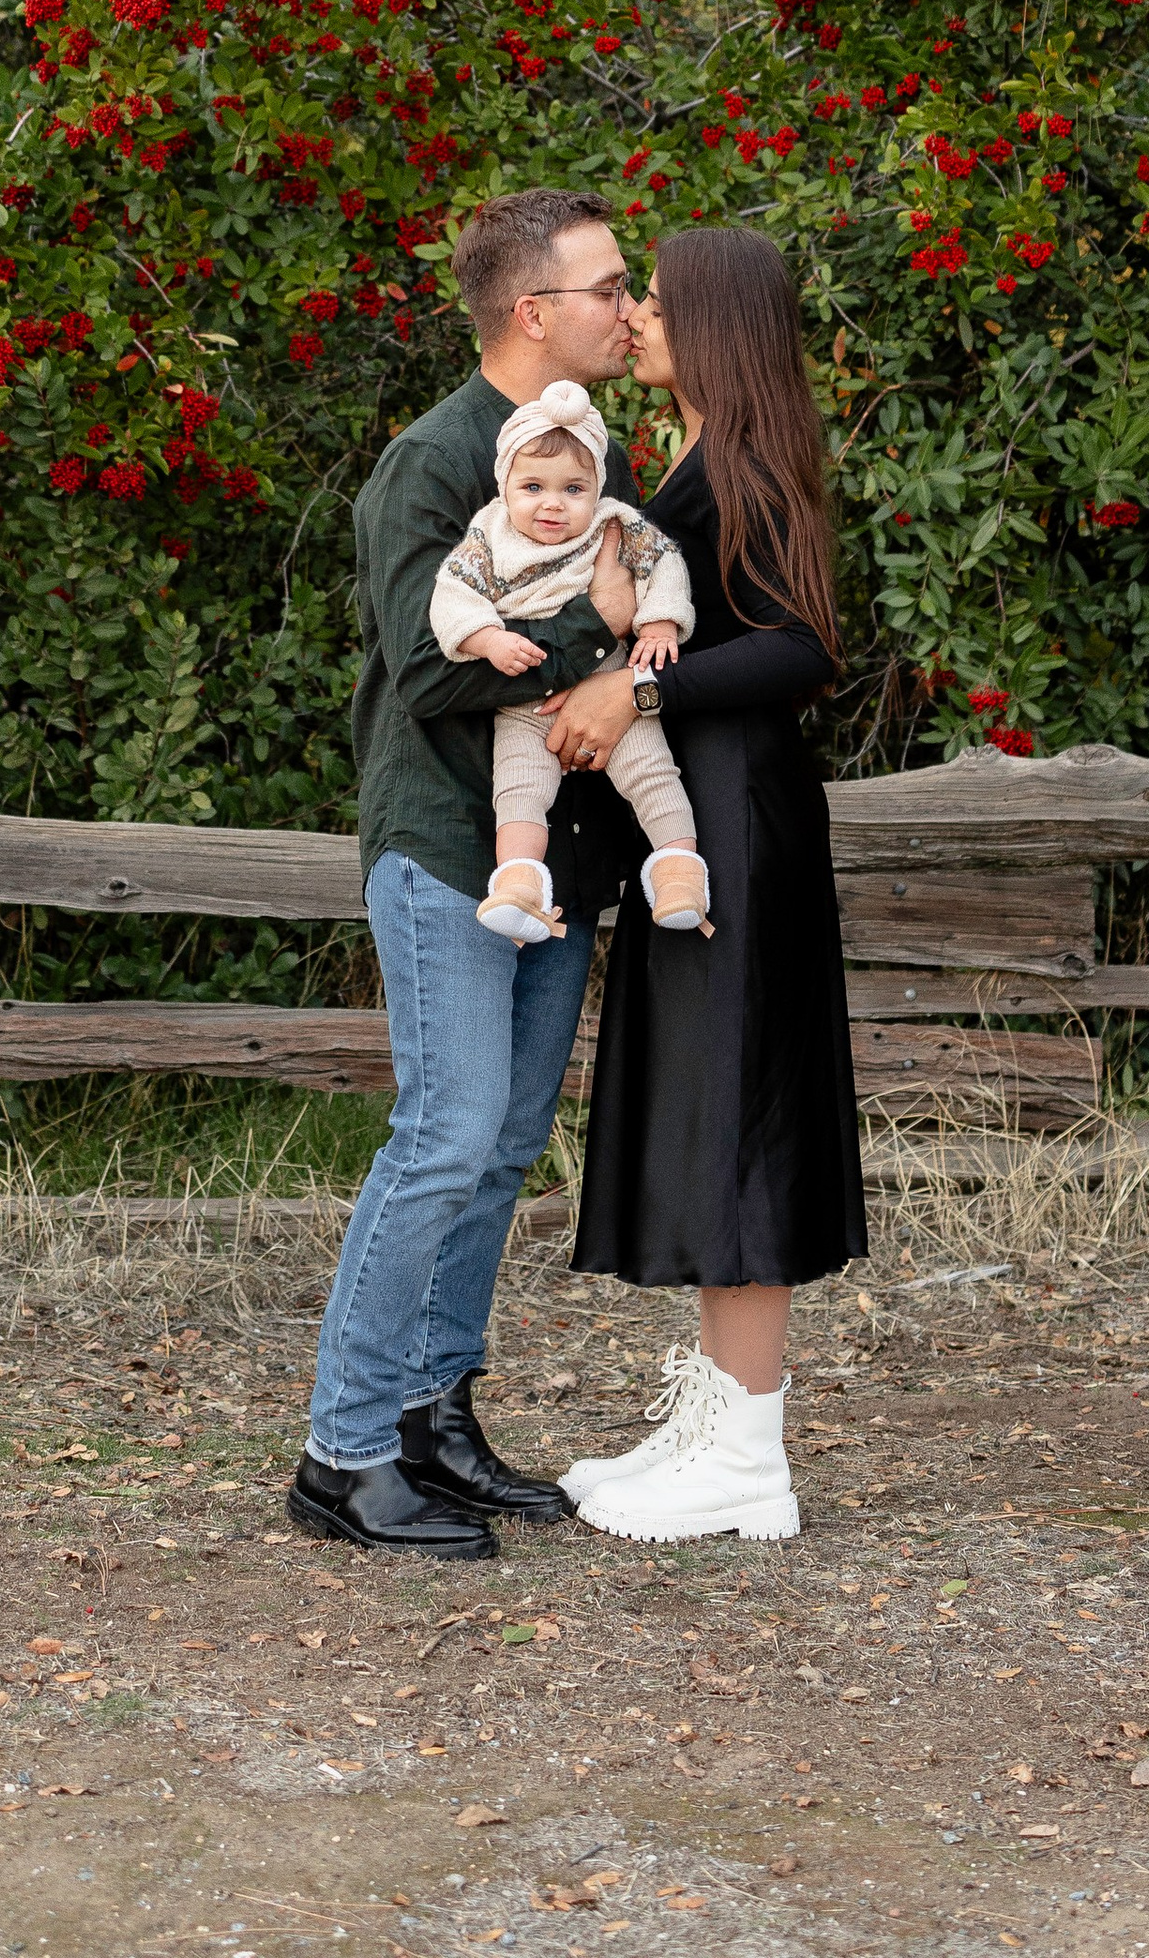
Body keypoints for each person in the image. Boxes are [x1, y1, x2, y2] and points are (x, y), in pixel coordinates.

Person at [287, 185, 645, 1559]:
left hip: (554, 857)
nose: (630, 307)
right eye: (609, 286)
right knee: (442, 1138)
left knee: (497, 1149)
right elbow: (432, 670)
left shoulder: (588, 460)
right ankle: (343, 1450)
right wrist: (585, 636)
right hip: (447, 844)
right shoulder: (434, 466)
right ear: (531, 310)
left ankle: (435, 1414)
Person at [546, 222, 866, 1544]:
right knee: (706, 1105)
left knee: (739, 1116)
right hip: (699, 818)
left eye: (660, 308)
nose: (636, 321)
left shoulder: (748, 464)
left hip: (740, 818)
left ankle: (749, 1453)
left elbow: (800, 648)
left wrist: (639, 679)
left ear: (720, 329)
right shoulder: (679, 460)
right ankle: (715, 1413)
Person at [428, 376, 706, 945]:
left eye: (573, 489)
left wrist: (658, 619)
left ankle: (679, 871)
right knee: (519, 787)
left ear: (596, 488)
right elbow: (451, 593)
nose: (552, 504)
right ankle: (520, 882)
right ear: (506, 483)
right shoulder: (489, 534)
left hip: (610, 686)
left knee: (652, 772)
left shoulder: (615, 525)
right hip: (524, 700)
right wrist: (486, 639)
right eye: (533, 486)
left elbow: (666, 563)